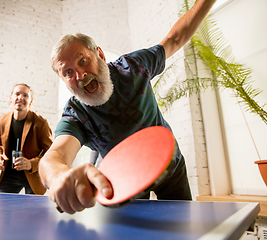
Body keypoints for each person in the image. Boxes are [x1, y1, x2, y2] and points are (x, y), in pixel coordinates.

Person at [39, 0, 217, 214]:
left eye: (83, 60)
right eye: (67, 72)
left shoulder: (133, 67)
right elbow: (56, 154)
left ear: (100, 55)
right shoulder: (76, 114)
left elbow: (175, 39)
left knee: (181, 228)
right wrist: (59, 176)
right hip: (123, 183)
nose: (80, 75)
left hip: (171, 168)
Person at [0, 83, 53, 194]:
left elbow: (50, 153)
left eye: (25, 95)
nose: (20, 98)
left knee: (31, 211)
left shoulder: (41, 123)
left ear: (31, 101)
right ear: (11, 98)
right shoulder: (1, 120)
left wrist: (31, 164)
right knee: (0, 207)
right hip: (9, 175)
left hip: (32, 176)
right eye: (17, 94)